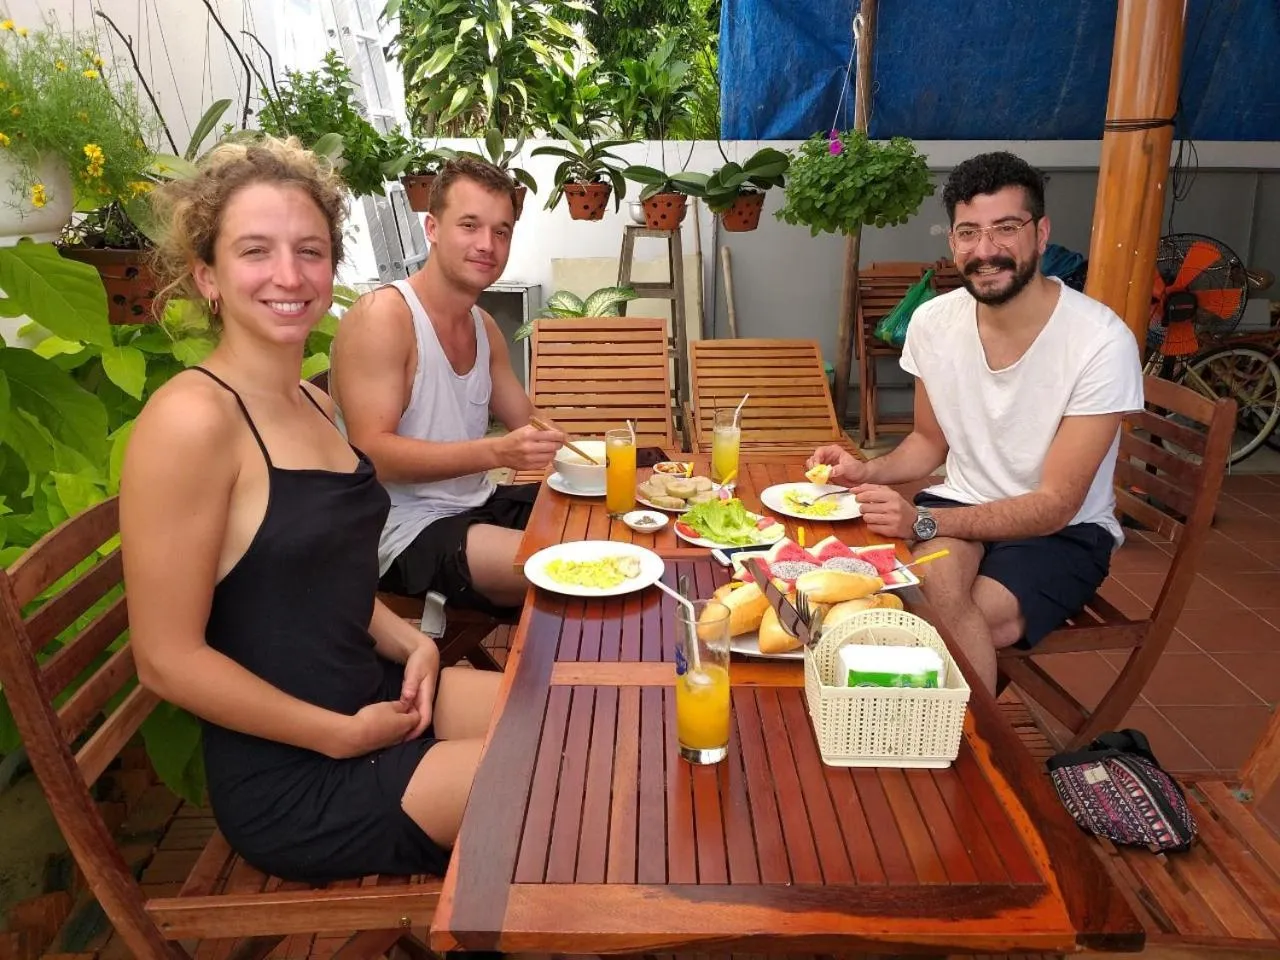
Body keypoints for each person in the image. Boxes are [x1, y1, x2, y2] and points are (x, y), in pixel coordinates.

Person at [119, 136, 499, 882]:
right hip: (299, 774)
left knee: (584, 721)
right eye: (256, 251)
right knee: (560, 781)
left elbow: (324, 578)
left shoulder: (315, 402)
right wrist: (335, 735)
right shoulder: (192, 422)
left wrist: (411, 642)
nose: (288, 276)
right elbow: (165, 661)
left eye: (310, 251)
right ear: (208, 276)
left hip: (375, 702)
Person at [810, 151, 1144, 693]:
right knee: (931, 596)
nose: (986, 251)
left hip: (1062, 532)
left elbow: (1056, 503)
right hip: (960, 505)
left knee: (954, 619)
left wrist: (923, 522)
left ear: (1041, 233)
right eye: (969, 233)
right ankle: (955, 749)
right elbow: (926, 442)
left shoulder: (1099, 342)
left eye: (1005, 229)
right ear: (952, 242)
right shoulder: (934, 322)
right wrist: (865, 472)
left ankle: (963, 759)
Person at [330, 155, 565, 615]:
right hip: (400, 532)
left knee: (598, 525)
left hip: (477, 503)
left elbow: (532, 424)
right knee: (568, 570)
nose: (487, 244)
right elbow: (372, 455)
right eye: (470, 225)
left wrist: (604, 463)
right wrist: (497, 452)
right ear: (432, 228)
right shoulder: (385, 317)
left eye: (501, 231)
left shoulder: (483, 326)